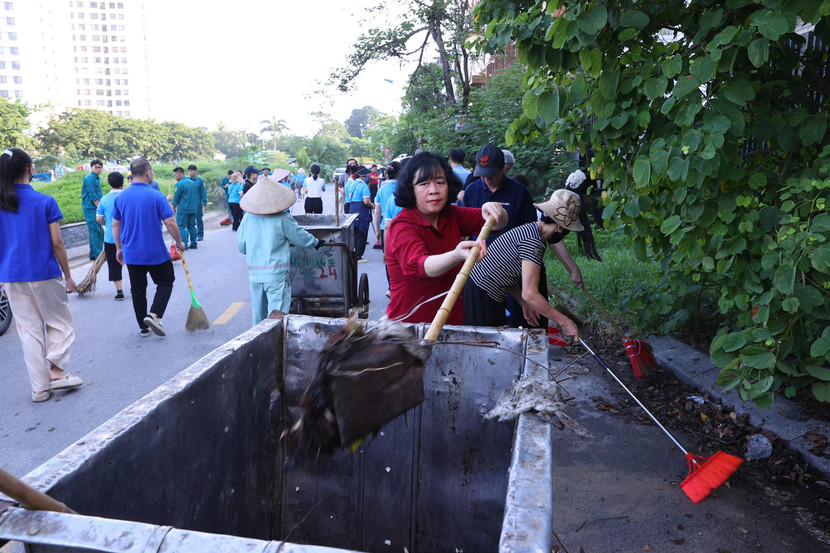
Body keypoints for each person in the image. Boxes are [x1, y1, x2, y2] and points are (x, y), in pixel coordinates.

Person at [385, 151, 506, 324]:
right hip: (410, 329)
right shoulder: (403, 225)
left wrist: (495, 210)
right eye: (423, 184)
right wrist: (456, 255)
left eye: (440, 182)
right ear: (410, 189)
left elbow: (496, 223)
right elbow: (421, 266)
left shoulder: (450, 215)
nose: (434, 190)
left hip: (451, 324)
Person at [0, 147, 82, 403]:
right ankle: (56, 371)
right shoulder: (45, 202)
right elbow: (57, 243)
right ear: (30, 169)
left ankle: (39, 388)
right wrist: (68, 276)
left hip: (12, 276)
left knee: (29, 331)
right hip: (44, 272)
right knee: (59, 323)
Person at [467, 189, 591, 341]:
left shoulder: (531, 230)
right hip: (481, 296)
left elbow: (505, 272)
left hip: (479, 290)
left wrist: (523, 303)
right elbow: (530, 294)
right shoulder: (534, 242)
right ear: (560, 228)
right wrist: (565, 321)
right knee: (487, 348)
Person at [462, 144, 537, 327]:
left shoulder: (519, 192)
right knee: (485, 325)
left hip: (513, 272)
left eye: (492, 173)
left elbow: (532, 232)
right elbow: (463, 231)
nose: (487, 179)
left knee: (516, 324)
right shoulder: (472, 190)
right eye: (483, 173)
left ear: (503, 167)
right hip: (482, 271)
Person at [112, 157, 185, 338]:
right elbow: (170, 223)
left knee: (138, 290)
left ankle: (143, 328)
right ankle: (154, 314)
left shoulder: (121, 197)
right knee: (166, 281)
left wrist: (119, 249)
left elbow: (115, 225)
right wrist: (179, 242)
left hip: (131, 253)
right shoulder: (156, 195)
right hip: (155, 253)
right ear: (148, 172)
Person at [237, 176, 323, 326]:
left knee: (259, 316)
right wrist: (315, 242)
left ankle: (258, 346)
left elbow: (242, 247)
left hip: (255, 275)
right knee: (276, 316)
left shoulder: (247, 218)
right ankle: (274, 346)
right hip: (276, 275)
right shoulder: (283, 217)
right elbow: (300, 237)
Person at [96, 171, 126, 300]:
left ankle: (119, 292)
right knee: (134, 263)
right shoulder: (127, 197)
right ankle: (136, 287)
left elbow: (99, 219)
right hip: (129, 236)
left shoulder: (104, 199)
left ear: (109, 183)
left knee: (114, 265)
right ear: (123, 182)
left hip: (111, 237)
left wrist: (107, 223)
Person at [374, 160, 401, 296]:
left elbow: (377, 212)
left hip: (387, 228)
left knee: (388, 258)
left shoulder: (381, 190)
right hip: (403, 228)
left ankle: (391, 287)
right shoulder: (404, 188)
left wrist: (377, 231)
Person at [345, 165, 373, 262]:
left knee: (355, 233)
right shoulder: (363, 186)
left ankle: (354, 254)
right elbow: (366, 201)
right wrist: (372, 205)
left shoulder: (352, 184)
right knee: (362, 233)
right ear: (363, 176)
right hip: (362, 211)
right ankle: (359, 256)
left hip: (353, 209)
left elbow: (349, 195)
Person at [81, 159, 104, 260]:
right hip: (91, 208)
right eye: (96, 167)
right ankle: (97, 254)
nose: (98, 169)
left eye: (100, 167)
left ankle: (95, 254)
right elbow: (92, 194)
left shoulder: (96, 178)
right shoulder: (90, 178)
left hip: (94, 207)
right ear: (91, 168)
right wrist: (100, 208)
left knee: (97, 230)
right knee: (95, 230)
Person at [172, 167, 199, 250]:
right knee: (191, 226)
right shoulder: (192, 183)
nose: (175, 177)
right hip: (193, 208)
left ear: (179, 174)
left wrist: (173, 206)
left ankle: (184, 244)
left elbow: (176, 197)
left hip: (183, 209)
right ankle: (194, 243)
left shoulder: (179, 184)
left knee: (181, 226)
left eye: (175, 175)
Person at [186, 165, 207, 241]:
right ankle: (193, 234)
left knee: (198, 219)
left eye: (191, 171)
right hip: (189, 203)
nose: (189, 173)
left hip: (197, 203)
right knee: (190, 220)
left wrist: (204, 203)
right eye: (188, 171)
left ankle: (200, 234)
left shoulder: (200, 181)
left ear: (195, 171)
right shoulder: (187, 180)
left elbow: (203, 192)